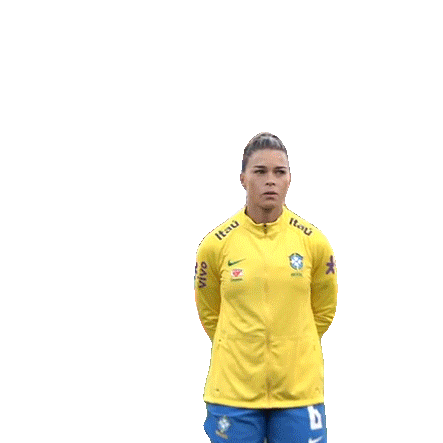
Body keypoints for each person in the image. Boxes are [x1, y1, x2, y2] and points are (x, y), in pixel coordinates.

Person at [194, 132, 338, 443]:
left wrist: (292, 347)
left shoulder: (314, 242)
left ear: (289, 179)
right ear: (243, 178)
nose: (270, 180)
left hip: (298, 393)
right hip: (233, 393)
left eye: (279, 172)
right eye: (260, 171)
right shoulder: (214, 245)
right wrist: (241, 348)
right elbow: (210, 313)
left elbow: (324, 311)